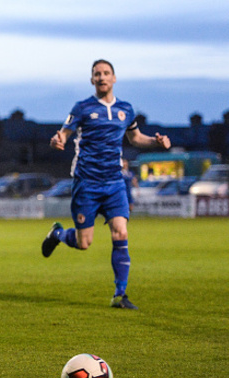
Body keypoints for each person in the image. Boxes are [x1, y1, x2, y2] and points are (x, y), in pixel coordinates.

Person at [41, 59, 171, 310]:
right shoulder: (82, 108)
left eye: (106, 73)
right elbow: (63, 136)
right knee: (83, 243)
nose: (101, 77)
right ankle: (57, 234)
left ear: (114, 78)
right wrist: (56, 142)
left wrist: (156, 142)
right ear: (92, 80)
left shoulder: (125, 109)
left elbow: (135, 138)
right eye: (97, 74)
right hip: (87, 183)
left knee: (121, 232)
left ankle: (119, 295)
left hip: (114, 182)